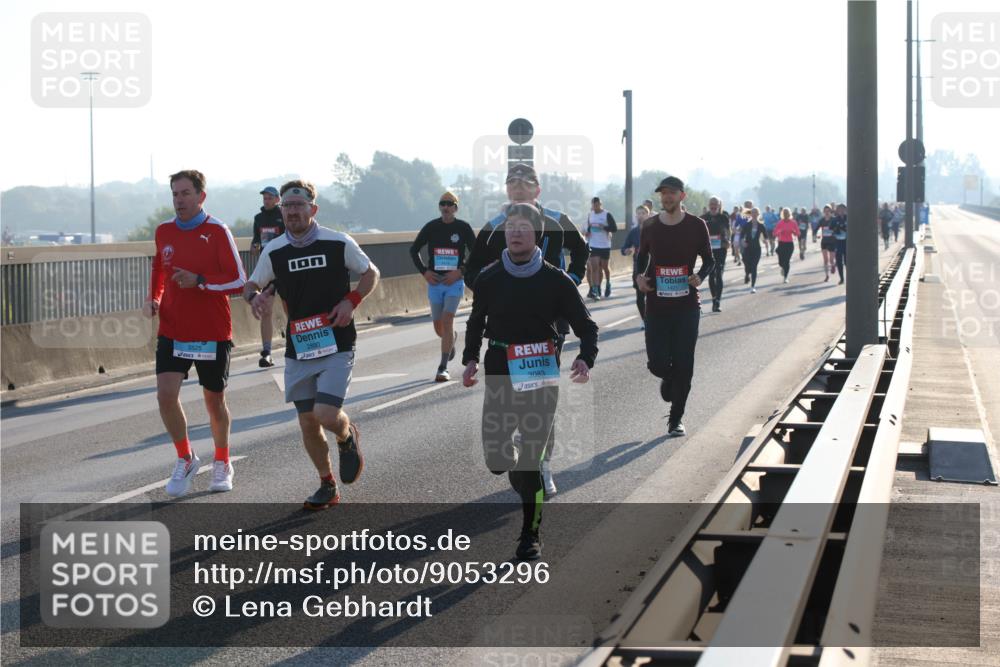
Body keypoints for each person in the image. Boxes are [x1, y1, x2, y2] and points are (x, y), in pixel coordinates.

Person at [462, 203, 598, 560]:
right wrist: (470, 358)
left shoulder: (557, 280)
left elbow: (587, 327)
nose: (516, 232)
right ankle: (521, 470)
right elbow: (476, 322)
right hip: (501, 371)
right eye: (511, 227)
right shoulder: (489, 278)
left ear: (537, 234)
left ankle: (530, 535)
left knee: (531, 461)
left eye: (523, 227)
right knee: (496, 459)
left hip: (540, 373)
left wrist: (585, 358)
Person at [244, 180, 380, 509]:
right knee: (307, 420)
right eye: (287, 207)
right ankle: (327, 484)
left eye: (298, 206)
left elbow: (370, 273)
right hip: (300, 344)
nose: (292, 212)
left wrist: (351, 301)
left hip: (337, 340)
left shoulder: (337, 242)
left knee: (325, 413)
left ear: (313, 209)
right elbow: (251, 284)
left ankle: (347, 436)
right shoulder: (274, 250)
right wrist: (256, 298)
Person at [463, 163, 589, 497]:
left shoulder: (558, 220)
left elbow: (582, 249)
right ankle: (518, 450)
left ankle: (542, 466)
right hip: (506, 327)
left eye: (524, 183)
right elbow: (472, 267)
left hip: (549, 323)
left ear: (538, 189)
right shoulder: (494, 225)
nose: (517, 188)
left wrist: (572, 280)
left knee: (541, 401)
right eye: (512, 183)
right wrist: (492, 291)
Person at [144, 169, 246, 497]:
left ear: (201, 196)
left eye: (186, 193)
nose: (179, 200)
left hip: (211, 331)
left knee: (214, 401)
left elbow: (239, 280)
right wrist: (154, 298)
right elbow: (160, 268)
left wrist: (201, 280)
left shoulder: (217, 231)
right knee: (165, 395)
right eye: (175, 194)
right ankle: (186, 457)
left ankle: (222, 461)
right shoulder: (164, 231)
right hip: (173, 328)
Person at [636, 177, 713, 437]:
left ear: (682, 196)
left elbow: (710, 261)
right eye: (663, 194)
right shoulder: (650, 226)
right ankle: (669, 378)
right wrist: (639, 277)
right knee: (657, 363)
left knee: (685, 364)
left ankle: (676, 419)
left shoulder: (697, 225)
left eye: (671, 193)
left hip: (687, 306)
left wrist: (700, 276)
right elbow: (641, 258)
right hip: (657, 305)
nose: (667, 197)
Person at [410, 191, 477, 381]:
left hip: (454, 283)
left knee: (447, 320)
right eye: (443, 204)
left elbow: (476, 252)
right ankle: (451, 338)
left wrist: (460, 271)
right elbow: (413, 250)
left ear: (455, 208)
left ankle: (442, 367)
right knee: (439, 327)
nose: (446, 207)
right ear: (440, 207)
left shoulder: (463, 228)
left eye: (450, 204)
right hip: (435, 283)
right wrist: (425, 272)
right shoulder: (431, 227)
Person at [251, 186, 286, 367]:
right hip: (268, 268)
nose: (266, 200)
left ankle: (300, 345)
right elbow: (255, 241)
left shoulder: (284, 215)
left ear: (277, 199)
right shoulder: (259, 218)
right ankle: (267, 352)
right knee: (266, 310)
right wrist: (255, 246)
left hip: (286, 266)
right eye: (264, 197)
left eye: (270, 197)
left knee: (291, 307)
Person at [621, 204, 651, 326]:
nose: (640, 216)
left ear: (648, 215)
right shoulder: (633, 232)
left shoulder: (654, 229)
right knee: (640, 296)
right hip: (638, 268)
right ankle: (644, 320)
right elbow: (624, 248)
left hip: (653, 267)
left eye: (643, 213)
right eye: (638, 213)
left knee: (652, 295)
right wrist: (626, 250)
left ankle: (653, 318)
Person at [584, 196, 617, 299]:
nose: (595, 207)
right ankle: (596, 289)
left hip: (604, 245)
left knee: (605, 267)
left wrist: (604, 227)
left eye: (597, 205)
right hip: (593, 244)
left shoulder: (607, 214)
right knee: (594, 267)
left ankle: (608, 283)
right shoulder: (590, 215)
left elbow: (614, 228)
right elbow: (589, 227)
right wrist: (588, 232)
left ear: (600, 204)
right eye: (594, 205)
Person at [703, 196, 731, 312]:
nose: (714, 206)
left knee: (719, 274)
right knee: (711, 274)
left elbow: (728, 231)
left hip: (721, 249)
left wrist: (728, 241)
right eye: (712, 204)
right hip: (708, 250)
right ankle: (714, 298)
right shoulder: (703, 218)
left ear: (719, 205)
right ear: (709, 205)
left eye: (716, 204)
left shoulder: (724, 217)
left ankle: (717, 301)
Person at [741, 207, 766, 293]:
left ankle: (753, 286)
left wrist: (765, 241)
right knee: (747, 265)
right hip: (747, 249)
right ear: (751, 214)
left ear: (758, 214)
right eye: (753, 212)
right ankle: (747, 274)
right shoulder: (747, 225)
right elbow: (741, 235)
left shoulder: (761, 225)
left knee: (754, 267)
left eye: (756, 213)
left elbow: (765, 236)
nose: (754, 214)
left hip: (756, 249)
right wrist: (743, 241)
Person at [773, 207, 801, 283]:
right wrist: (779, 232)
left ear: (789, 214)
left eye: (787, 213)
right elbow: (774, 233)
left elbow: (798, 233)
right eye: (784, 213)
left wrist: (793, 232)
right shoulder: (780, 223)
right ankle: (783, 267)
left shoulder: (793, 222)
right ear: (782, 214)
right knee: (781, 262)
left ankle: (785, 277)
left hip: (789, 244)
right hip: (781, 243)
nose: (785, 215)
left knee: (787, 261)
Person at [816, 205, 837, 282]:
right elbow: (817, 228)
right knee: (825, 260)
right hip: (824, 241)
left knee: (831, 260)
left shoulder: (834, 219)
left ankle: (833, 265)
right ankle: (827, 275)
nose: (827, 213)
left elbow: (838, 228)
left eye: (828, 211)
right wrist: (816, 234)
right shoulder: (822, 220)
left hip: (832, 241)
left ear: (831, 212)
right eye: (825, 211)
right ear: (823, 212)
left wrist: (835, 231)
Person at [831, 203, 849, 285]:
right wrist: (836, 229)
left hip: (846, 242)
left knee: (847, 261)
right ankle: (841, 278)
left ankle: (849, 277)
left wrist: (844, 228)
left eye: (843, 209)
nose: (841, 211)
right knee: (839, 261)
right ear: (837, 211)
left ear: (845, 210)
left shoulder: (848, 218)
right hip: (838, 242)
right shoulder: (835, 219)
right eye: (839, 209)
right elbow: (830, 228)